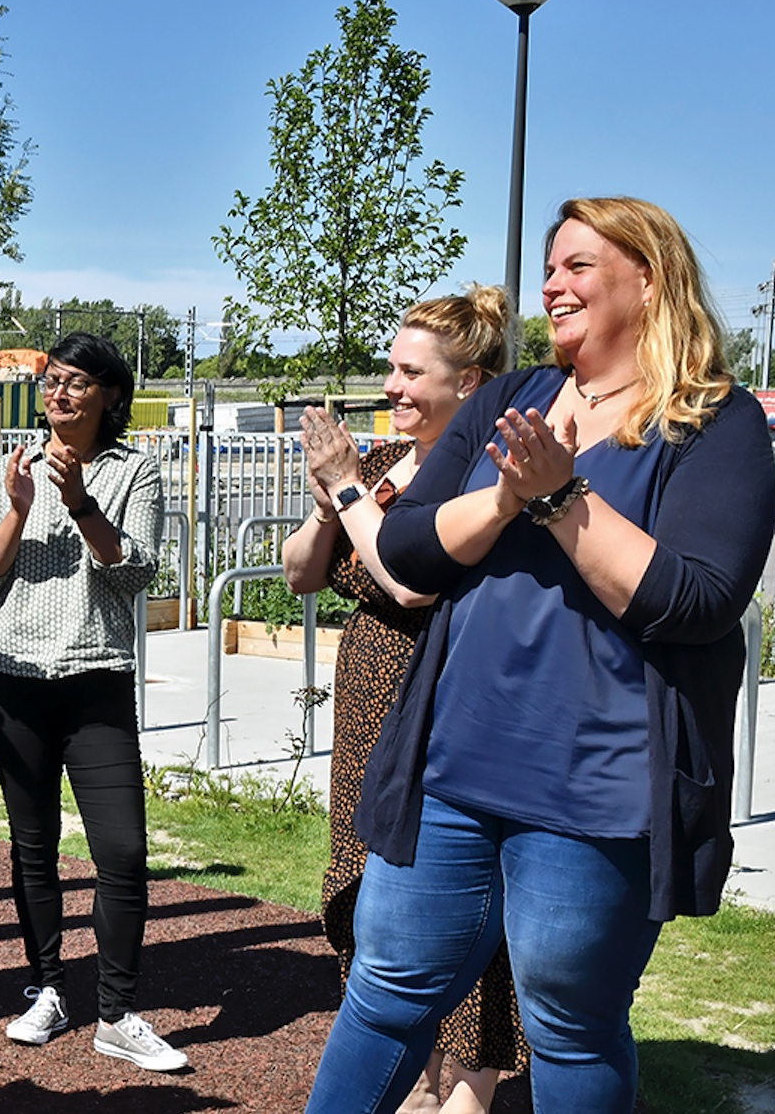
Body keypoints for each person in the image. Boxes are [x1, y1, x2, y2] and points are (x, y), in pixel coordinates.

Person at [306, 197, 775, 1113]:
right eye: (549, 268)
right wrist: (502, 501)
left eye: (578, 267)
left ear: (648, 279)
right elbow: (403, 550)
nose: (552, 287)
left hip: (595, 792)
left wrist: (561, 502)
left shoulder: (716, 422)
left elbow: (695, 600)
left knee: (569, 1021)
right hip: (450, 766)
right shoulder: (508, 399)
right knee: (384, 992)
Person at [282, 286, 527, 1113]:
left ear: (470, 385)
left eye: (408, 371)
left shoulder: (479, 474)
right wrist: (328, 505)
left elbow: (410, 584)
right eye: (389, 366)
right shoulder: (381, 468)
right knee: (367, 896)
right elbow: (299, 574)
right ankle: (410, 1067)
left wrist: (348, 493)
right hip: (364, 706)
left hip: (440, 706)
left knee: (445, 898)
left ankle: (465, 1089)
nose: (389, 385)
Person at [0, 333, 183, 1071]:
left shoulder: (133, 471)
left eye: (77, 382)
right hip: (12, 680)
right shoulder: (6, 467)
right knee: (33, 847)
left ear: (108, 397)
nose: (59, 393)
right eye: (52, 380)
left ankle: (115, 1012)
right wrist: (16, 512)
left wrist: (79, 502)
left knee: (121, 851)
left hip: (95, 681)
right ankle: (48, 988)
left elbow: (134, 575)